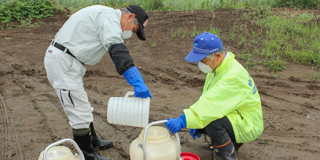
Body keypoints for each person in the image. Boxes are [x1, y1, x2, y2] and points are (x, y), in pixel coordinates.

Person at [44, 5, 152, 160]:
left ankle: (92, 139)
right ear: (129, 17)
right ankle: (87, 154)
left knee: (82, 104)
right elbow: (118, 51)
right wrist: (137, 81)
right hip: (62, 62)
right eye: (134, 30)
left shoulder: (106, 16)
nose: (130, 33)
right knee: (78, 109)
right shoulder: (108, 18)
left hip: (69, 60)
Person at [165, 32, 264, 160]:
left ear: (217, 55)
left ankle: (230, 157)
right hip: (236, 114)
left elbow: (211, 104)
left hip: (248, 123)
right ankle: (231, 142)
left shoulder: (232, 76)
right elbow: (209, 98)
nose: (201, 64)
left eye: (203, 60)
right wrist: (197, 123)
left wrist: (184, 120)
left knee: (212, 122)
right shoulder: (218, 67)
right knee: (205, 118)